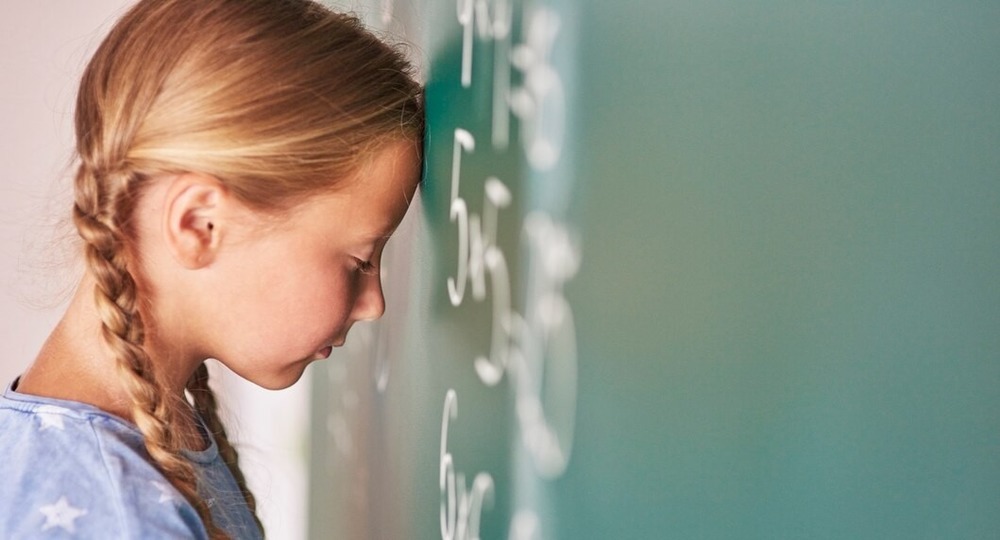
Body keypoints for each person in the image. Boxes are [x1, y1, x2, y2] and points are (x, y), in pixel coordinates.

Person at [0, 0, 423, 538]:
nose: (374, 303)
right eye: (360, 260)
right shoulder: (123, 517)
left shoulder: (97, 453)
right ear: (200, 225)